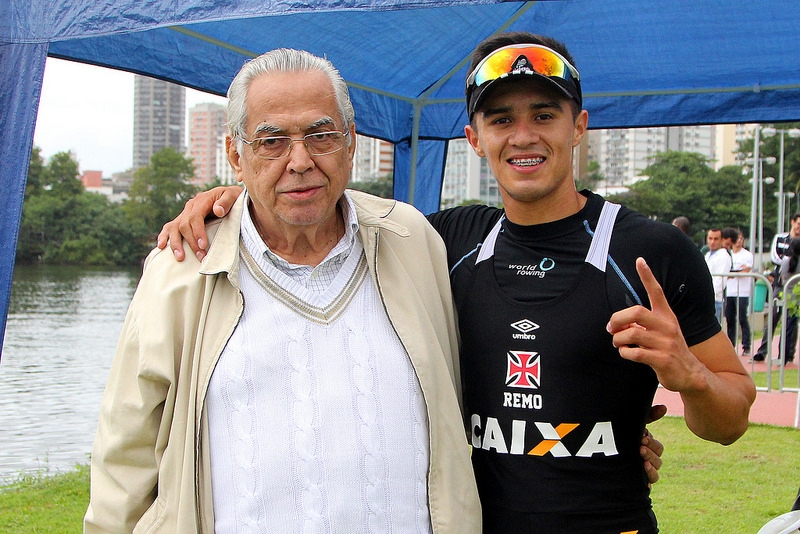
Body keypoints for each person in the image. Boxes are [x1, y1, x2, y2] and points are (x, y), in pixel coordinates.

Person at [159, 33, 754, 533]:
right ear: (474, 138)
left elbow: (730, 422)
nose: (523, 136)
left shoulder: (651, 253)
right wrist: (233, 201)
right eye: (501, 120)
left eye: (544, 116)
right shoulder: (440, 242)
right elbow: (326, 205)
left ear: (580, 127)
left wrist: (692, 378)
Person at [84, 48, 483, 533]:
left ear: (351, 142)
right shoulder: (182, 271)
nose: (300, 161)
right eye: (271, 141)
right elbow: (123, 460)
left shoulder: (411, 241)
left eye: (321, 136)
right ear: (236, 154)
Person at [754, 213, 800, 362]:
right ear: (792, 222)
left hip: (795, 287)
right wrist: (789, 260)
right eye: (798, 223)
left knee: (791, 321)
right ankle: (763, 351)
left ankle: (787, 353)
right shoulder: (780, 238)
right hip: (780, 284)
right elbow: (775, 256)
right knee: (773, 317)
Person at [723, 228, 753, 356]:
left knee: (742, 318)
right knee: (730, 318)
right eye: (738, 238)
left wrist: (736, 273)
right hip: (730, 291)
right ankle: (731, 344)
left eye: (742, 238)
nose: (739, 241)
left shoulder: (747, 255)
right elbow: (727, 273)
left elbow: (746, 270)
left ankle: (746, 345)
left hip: (743, 292)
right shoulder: (728, 254)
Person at [704, 228, 732, 323]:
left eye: (716, 239)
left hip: (715, 301)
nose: (712, 242)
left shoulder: (724, 257)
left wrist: (707, 295)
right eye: (710, 238)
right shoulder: (707, 255)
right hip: (705, 300)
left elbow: (720, 282)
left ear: (722, 240)